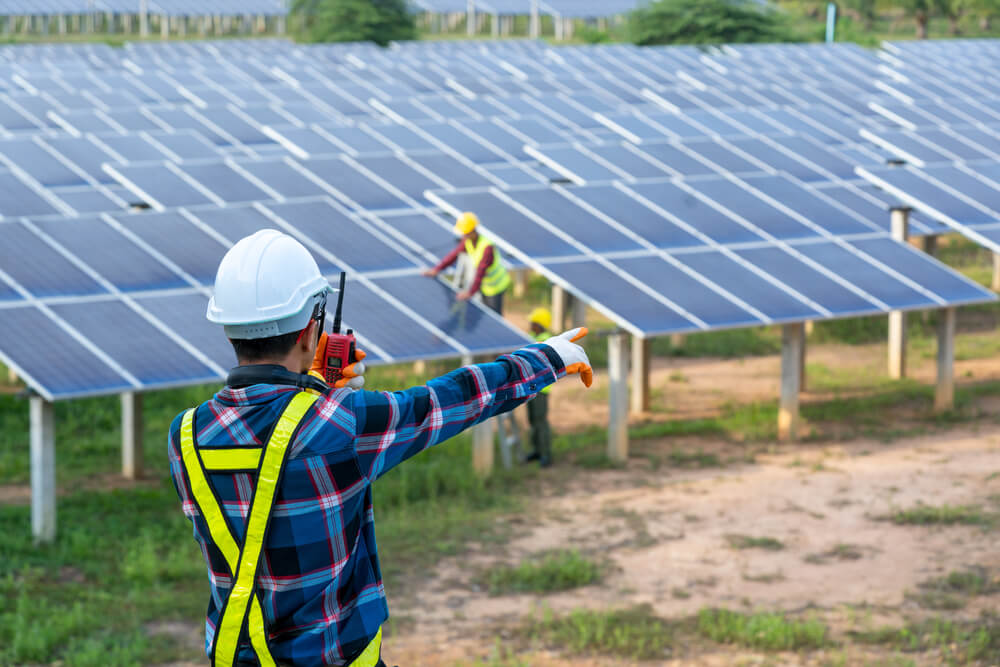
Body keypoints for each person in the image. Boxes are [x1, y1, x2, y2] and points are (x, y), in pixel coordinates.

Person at [167, 229, 593, 667]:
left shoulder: (183, 437)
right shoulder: (342, 423)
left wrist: (314, 392)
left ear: (227, 327)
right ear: (311, 327)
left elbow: (266, 445)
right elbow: (443, 403)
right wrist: (547, 359)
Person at [421, 212, 511, 315]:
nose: (464, 235)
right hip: (485, 285)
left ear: (473, 231)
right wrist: (436, 269)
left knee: (494, 316)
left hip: (496, 287)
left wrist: (470, 293)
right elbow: (453, 256)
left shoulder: (487, 247)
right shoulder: (468, 241)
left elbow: (481, 271)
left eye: (466, 233)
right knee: (485, 314)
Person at [524, 307, 554, 467]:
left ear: (539, 325)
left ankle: (545, 454)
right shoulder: (533, 337)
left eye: (533, 323)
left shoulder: (545, 341)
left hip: (541, 389)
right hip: (531, 387)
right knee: (532, 420)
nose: (530, 325)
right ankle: (536, 450)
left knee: (540, 420)